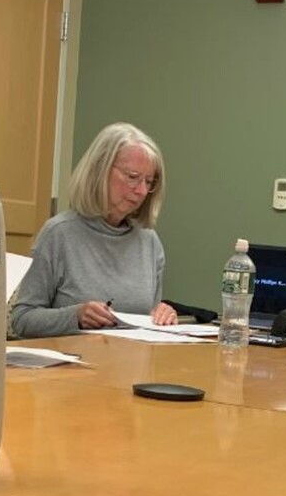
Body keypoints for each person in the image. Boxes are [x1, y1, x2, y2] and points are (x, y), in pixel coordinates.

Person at [10, 122, 177, 338]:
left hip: (131, 358)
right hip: (74, 358)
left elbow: (148, 321)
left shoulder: (149, 241)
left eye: (149, 181)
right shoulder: (59, 234)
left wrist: (162, 315)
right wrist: (75, 316)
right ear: (100, 171)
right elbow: (22, 320)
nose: (142, 191)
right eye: (132, 177)